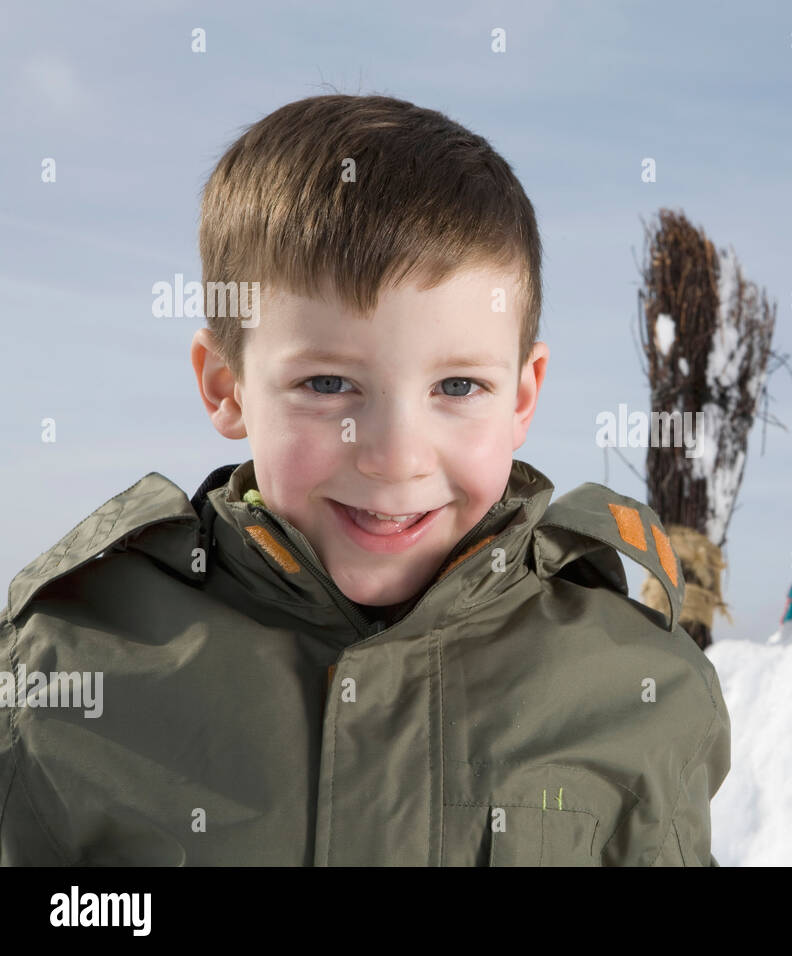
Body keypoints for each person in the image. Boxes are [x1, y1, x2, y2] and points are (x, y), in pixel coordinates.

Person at [0, 94, 729, 865]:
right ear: (226, 385)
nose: (395, 457)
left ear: (522, 397)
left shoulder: (637, 685)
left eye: (457, 387)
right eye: (326, 384)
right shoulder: (70, 667)